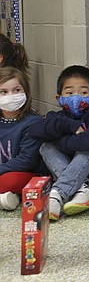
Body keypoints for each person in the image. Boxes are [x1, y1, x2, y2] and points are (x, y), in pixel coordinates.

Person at [30, 65, 89, 220]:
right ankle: (81, 190)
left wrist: (60, 141)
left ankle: (58, 195)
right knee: (46, 146)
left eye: (83, 92)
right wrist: (70, 126)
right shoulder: (56, 117)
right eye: (69, 93)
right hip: (74, 175)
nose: (76, 97)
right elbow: (35, 130)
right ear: (59, 98)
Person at [0, 68, 45, 211]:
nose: (11, 96)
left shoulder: (33, 122)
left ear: (26, 91)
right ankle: (7, 198)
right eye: (3, 92)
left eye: (17, 90)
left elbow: (26, 161)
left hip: (25, 173)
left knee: (9, 181)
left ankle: (9, 195)